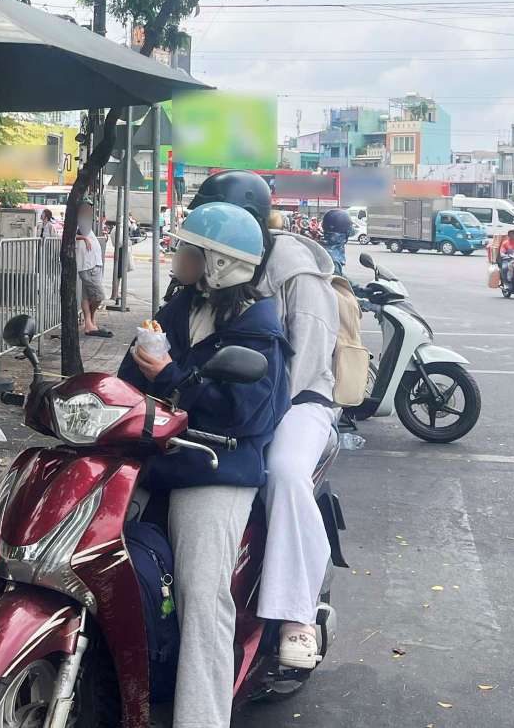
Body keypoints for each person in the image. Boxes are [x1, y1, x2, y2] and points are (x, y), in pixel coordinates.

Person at [117, 202, 291, 728]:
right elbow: (130, 380)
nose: (178, 256)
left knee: (200, 592)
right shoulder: (180, 308)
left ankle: (201, 718)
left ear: (217, 263)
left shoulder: (259, 328)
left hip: (215, 466)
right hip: (159, 458)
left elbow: (247, 411)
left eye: (189, 250)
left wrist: (171, 375)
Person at [190, 170, 339, 671]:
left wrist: (257, 415)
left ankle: (295, 617)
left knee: (283, 471)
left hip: (297, 401)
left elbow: (311, 353)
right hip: (229, 400)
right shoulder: (213, 263)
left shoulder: (295, 268)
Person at [75, 200, 110, 337]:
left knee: (87, 296)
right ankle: (88, 322)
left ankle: (89, 322)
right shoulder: (78, 223)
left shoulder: (86, 224)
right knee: (99, 295)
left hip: (93, 263)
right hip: (88, 265)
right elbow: (68, 236)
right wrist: (84, 238)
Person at [321, 209, 352, 277]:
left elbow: (342, 278)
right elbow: (337, 283)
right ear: (347, 232)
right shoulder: (333, 261)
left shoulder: (319, 247)